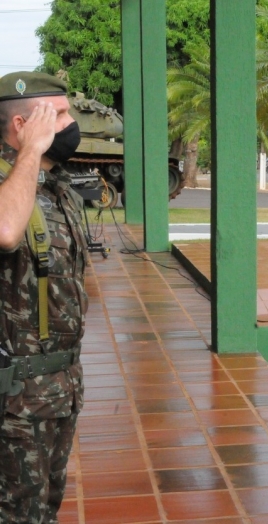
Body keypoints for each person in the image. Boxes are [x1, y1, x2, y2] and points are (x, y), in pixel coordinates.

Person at [0, 72, 88, 523]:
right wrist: (31, 150)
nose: (70, 125)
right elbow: (6, 231)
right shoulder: (10, 185)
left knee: (44, 508)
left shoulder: (58, 189)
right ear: (20, 125)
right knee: (18, 514)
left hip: (58, 390)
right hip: (14, 400)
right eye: (57, 116)